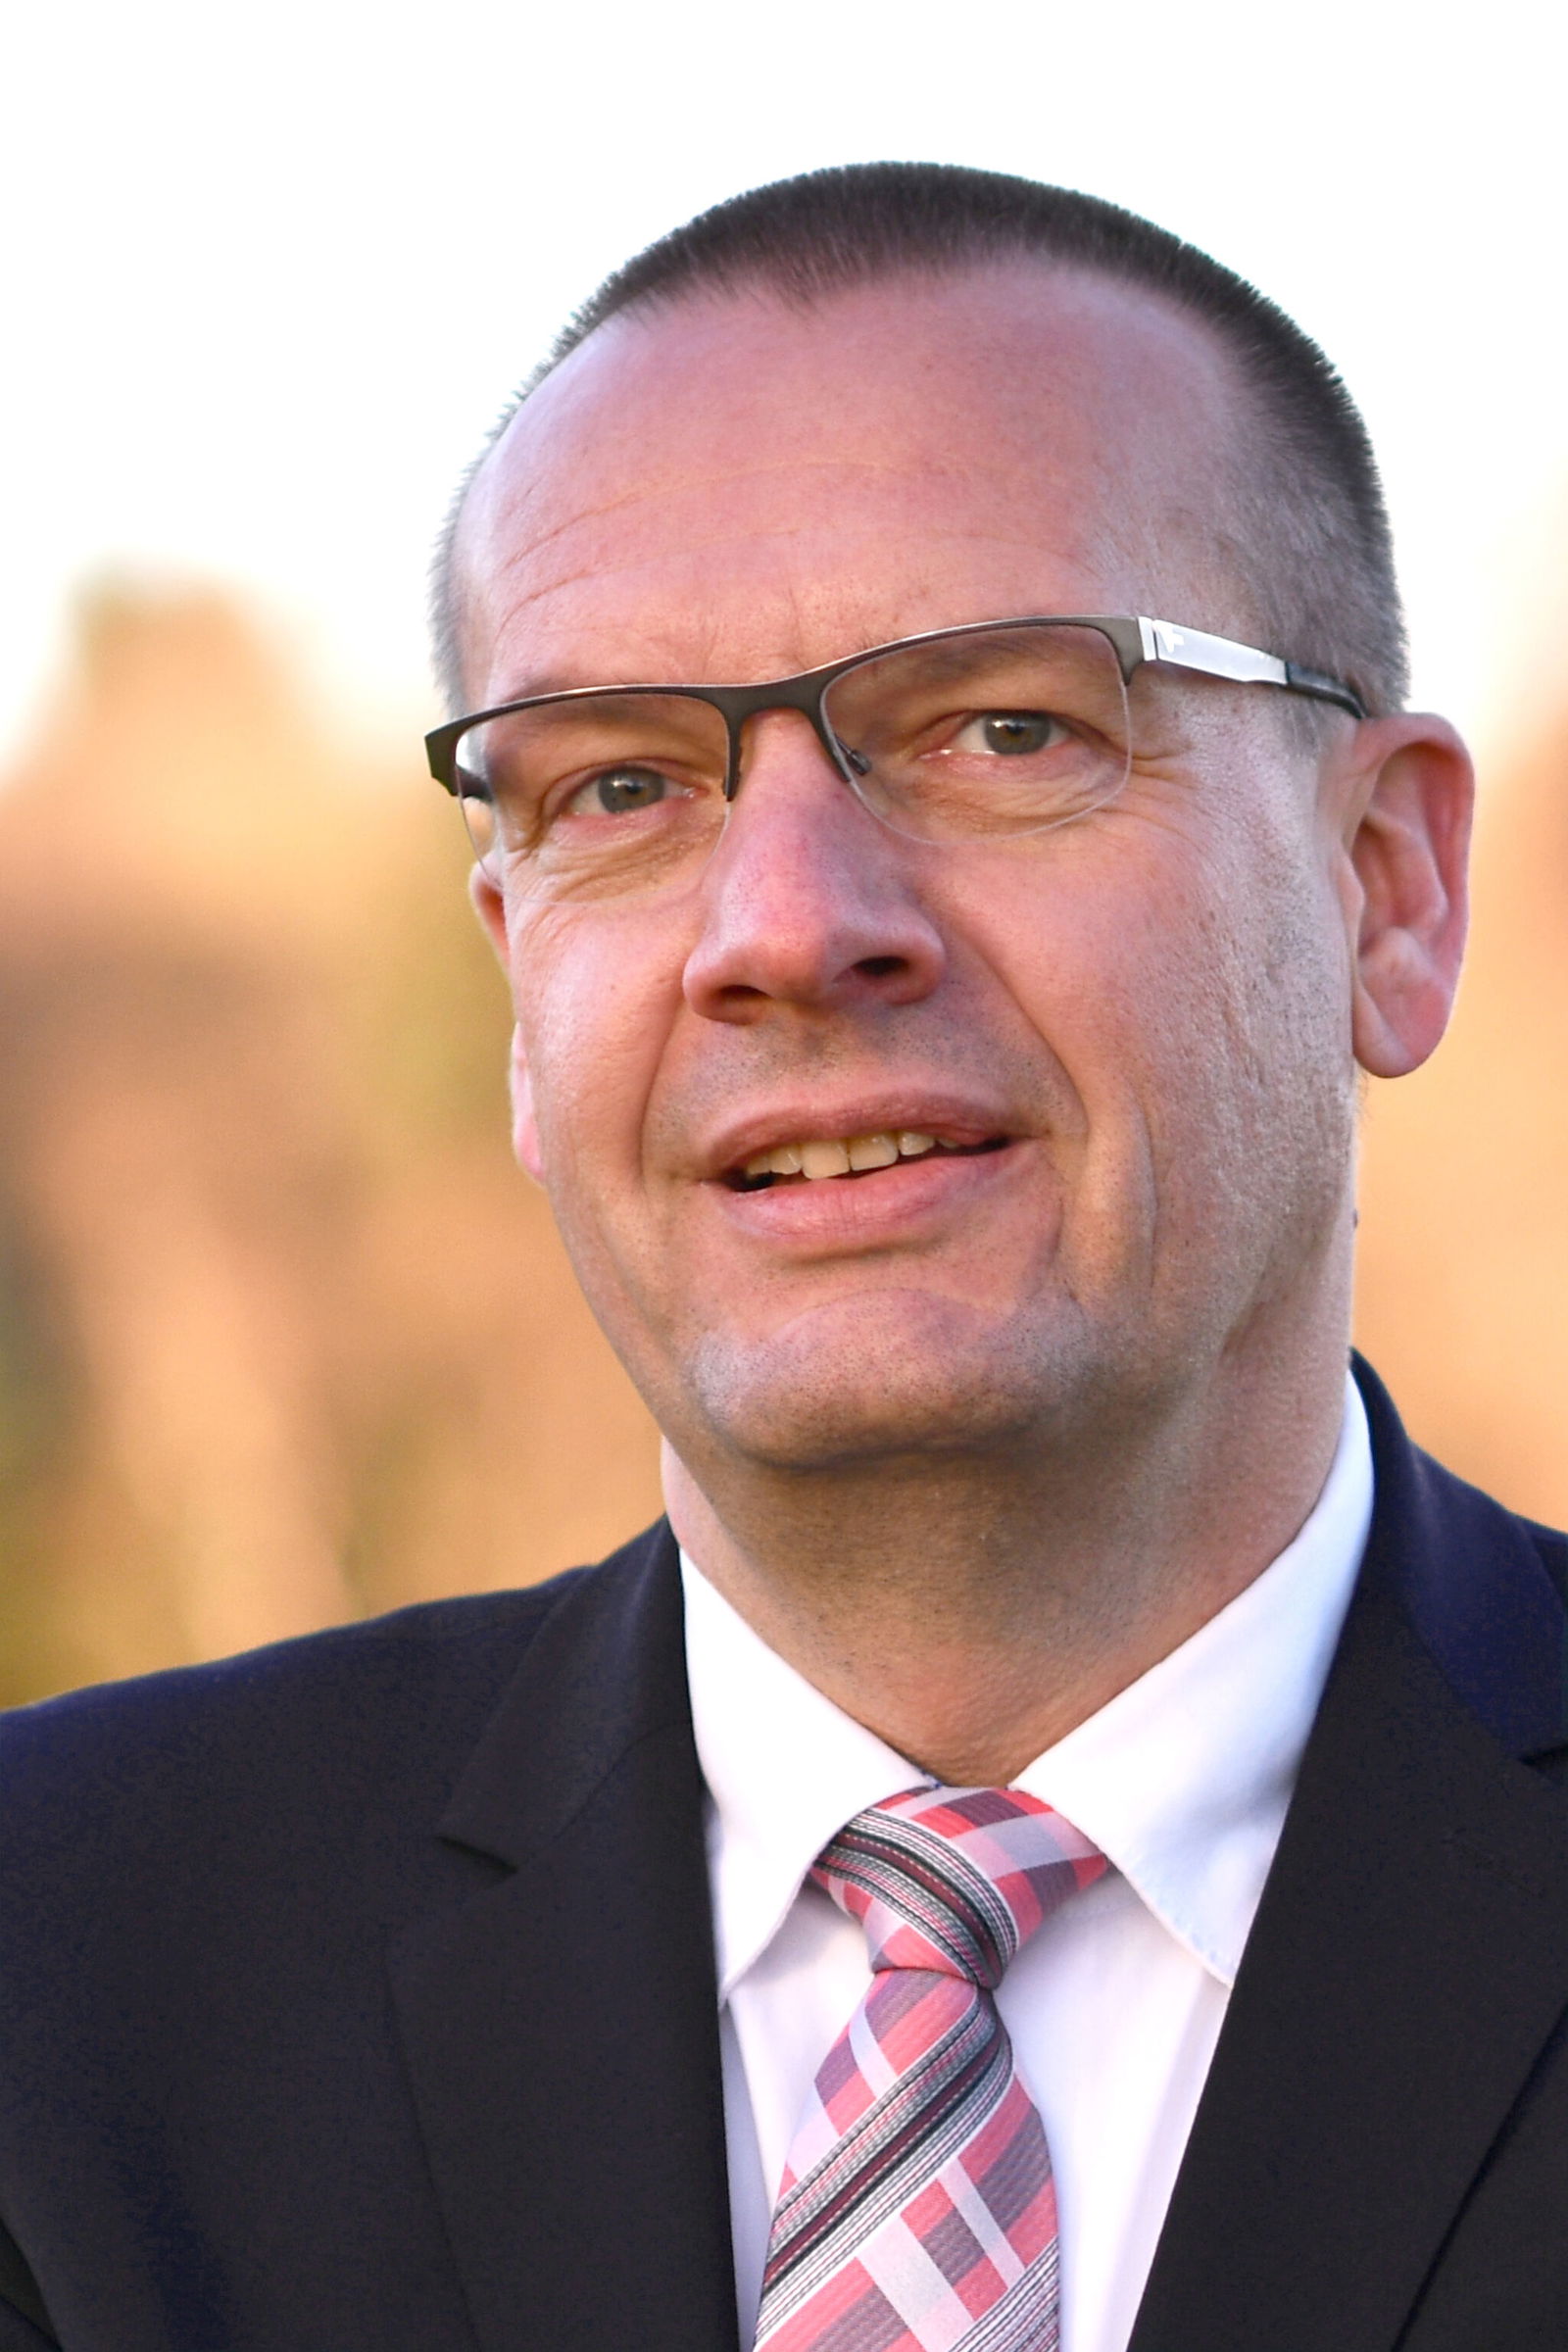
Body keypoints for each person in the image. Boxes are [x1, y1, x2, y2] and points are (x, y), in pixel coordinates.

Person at [0, 163, 1563, 2352]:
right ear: (517, 991)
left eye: (1004, 726)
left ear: (1386, 890)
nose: (783, 927)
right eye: (619, 789)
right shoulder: (62, 1976)